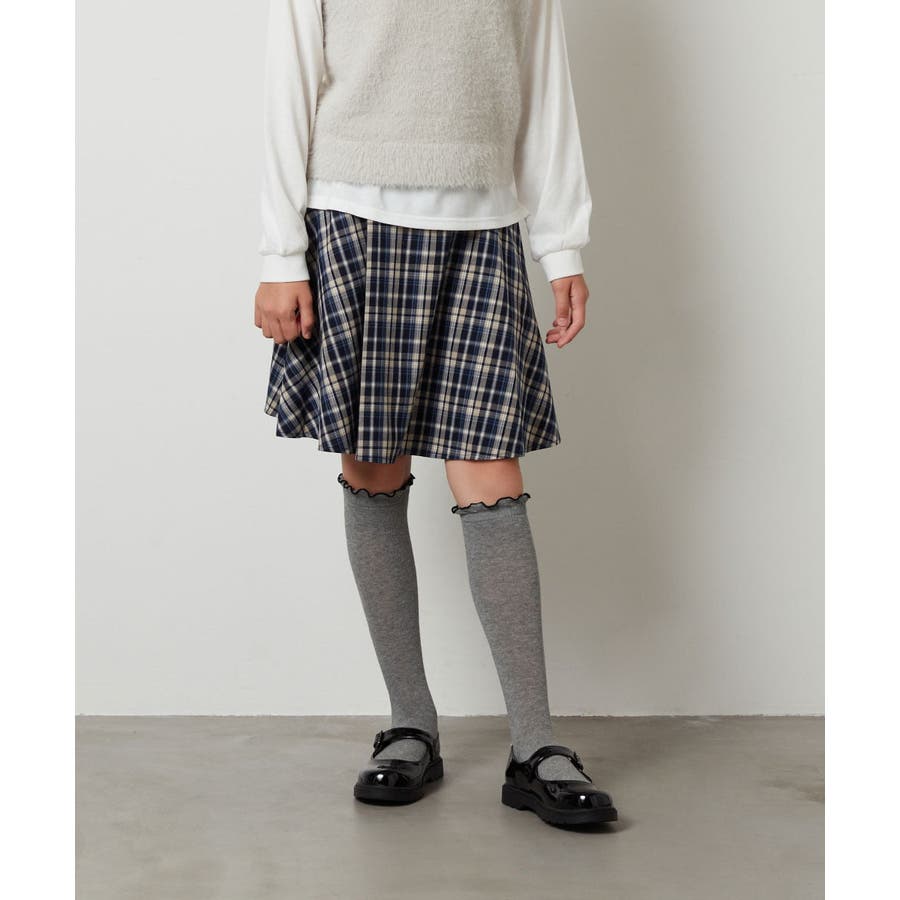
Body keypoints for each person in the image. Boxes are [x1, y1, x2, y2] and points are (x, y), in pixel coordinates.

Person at [254, 0, 617, 828]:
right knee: (373, 468)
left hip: (483, 224)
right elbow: (289, 80)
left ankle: (535, 746)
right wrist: (281, 254)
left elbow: (543, 80)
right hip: (350, 216)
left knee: (491, 473)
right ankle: (410, 722)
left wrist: (561, 242)